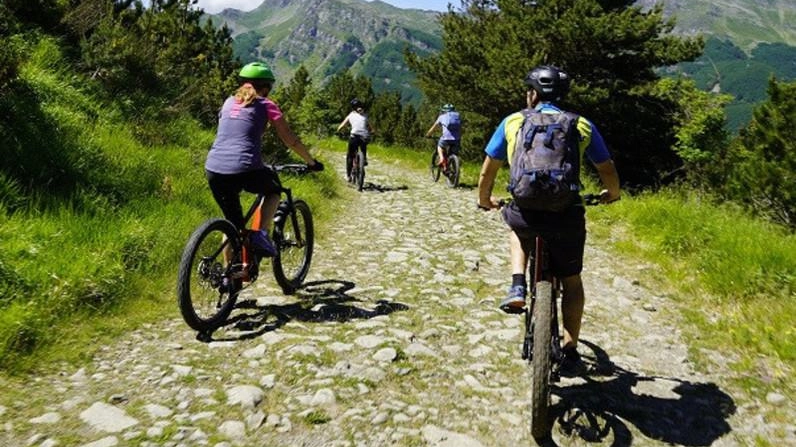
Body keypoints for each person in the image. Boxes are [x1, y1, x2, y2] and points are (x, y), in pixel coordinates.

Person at [477, 65, 620, 375]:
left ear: (532, 94)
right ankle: (570, 347)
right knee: (571, 281)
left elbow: (489, 167)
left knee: (514, 224)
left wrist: (484, 199)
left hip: (526, 210)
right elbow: (606, 166)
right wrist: (612, 193)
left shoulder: (514, 121)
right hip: (566, 213)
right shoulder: (580, 124)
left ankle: (517, 284)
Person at [205, 61, 323, 256]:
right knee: (275, 190)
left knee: (233, 226)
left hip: (214, 168)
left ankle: (230, 278)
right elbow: (290, 140)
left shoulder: (228, 101)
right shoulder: (267, 104)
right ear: (266, 87)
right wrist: (311, 162)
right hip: (245, 167)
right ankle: (260, 234)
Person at [336, 98, 374, 180]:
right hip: (364, 136)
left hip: (354, 136)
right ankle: (364, 159)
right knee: (363, 144)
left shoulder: (351, 115)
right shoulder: (365, 115)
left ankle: (348, 176)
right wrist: (373, 131)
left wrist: (338, 129)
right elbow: (371, 127)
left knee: (350, 155)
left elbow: (343, 125)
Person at [425, 103, 462, 169]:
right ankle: (453, 169)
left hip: (446, 138)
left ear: (444, 110)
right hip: (457, 139)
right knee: (453, 153)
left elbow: (433, 128)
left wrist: (428, 134)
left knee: (440, 146)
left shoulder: (441, 117)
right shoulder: (457, 116)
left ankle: (442, 158)